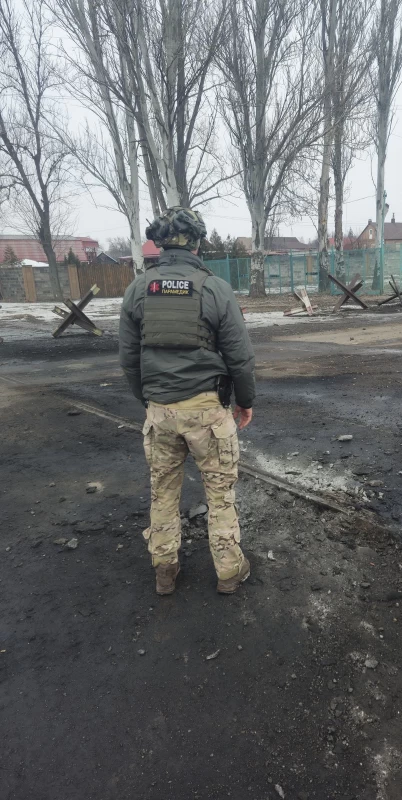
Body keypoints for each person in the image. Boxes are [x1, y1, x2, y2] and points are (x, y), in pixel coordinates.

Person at [119, 206, 255, 596]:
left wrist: (148, 400)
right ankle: (229, 571)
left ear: (160, 244)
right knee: (220, 494)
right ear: (197, 243)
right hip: (207, 412)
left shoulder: (138, 289)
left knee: (162, 491)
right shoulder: (214, 288)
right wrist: (245, 401)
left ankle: (165, 569)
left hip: (160, 411)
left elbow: (129, 359)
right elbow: (240, 356)